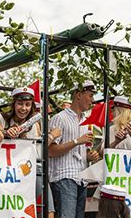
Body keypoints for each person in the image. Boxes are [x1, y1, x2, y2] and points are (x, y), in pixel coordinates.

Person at [2, 87, 61, 218]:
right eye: (20, 104)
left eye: (27, 105)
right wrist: (6, 133)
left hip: (33, 169)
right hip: (9, 172)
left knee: (48, 209)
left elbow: (39, 150)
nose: (23, 108)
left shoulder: (36, 124)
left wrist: (50, 136)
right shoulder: (4, 120)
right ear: (13, 104)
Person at [48, 80, 100, 218]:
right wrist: (77, 141)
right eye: (90, 95)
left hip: (82, 177)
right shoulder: (59, 118)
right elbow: (50, 151)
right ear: (78, 95)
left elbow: (79, 151)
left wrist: (89, 156)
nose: (92, 100)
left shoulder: (85, 121)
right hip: (64, 177)